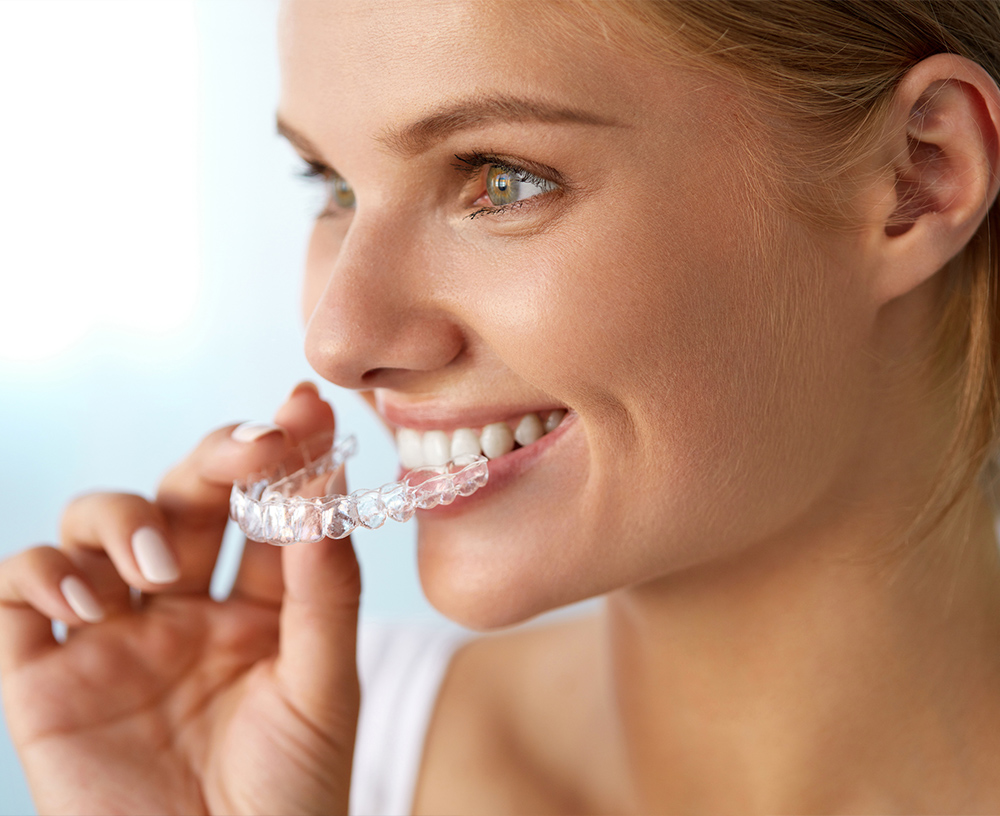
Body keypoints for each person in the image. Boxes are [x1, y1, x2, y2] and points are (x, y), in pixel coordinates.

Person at [3, 0, 1000, 812]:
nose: (339, 341)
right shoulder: (289, 752)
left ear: (918, 176)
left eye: (501, 178)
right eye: (335, 184)